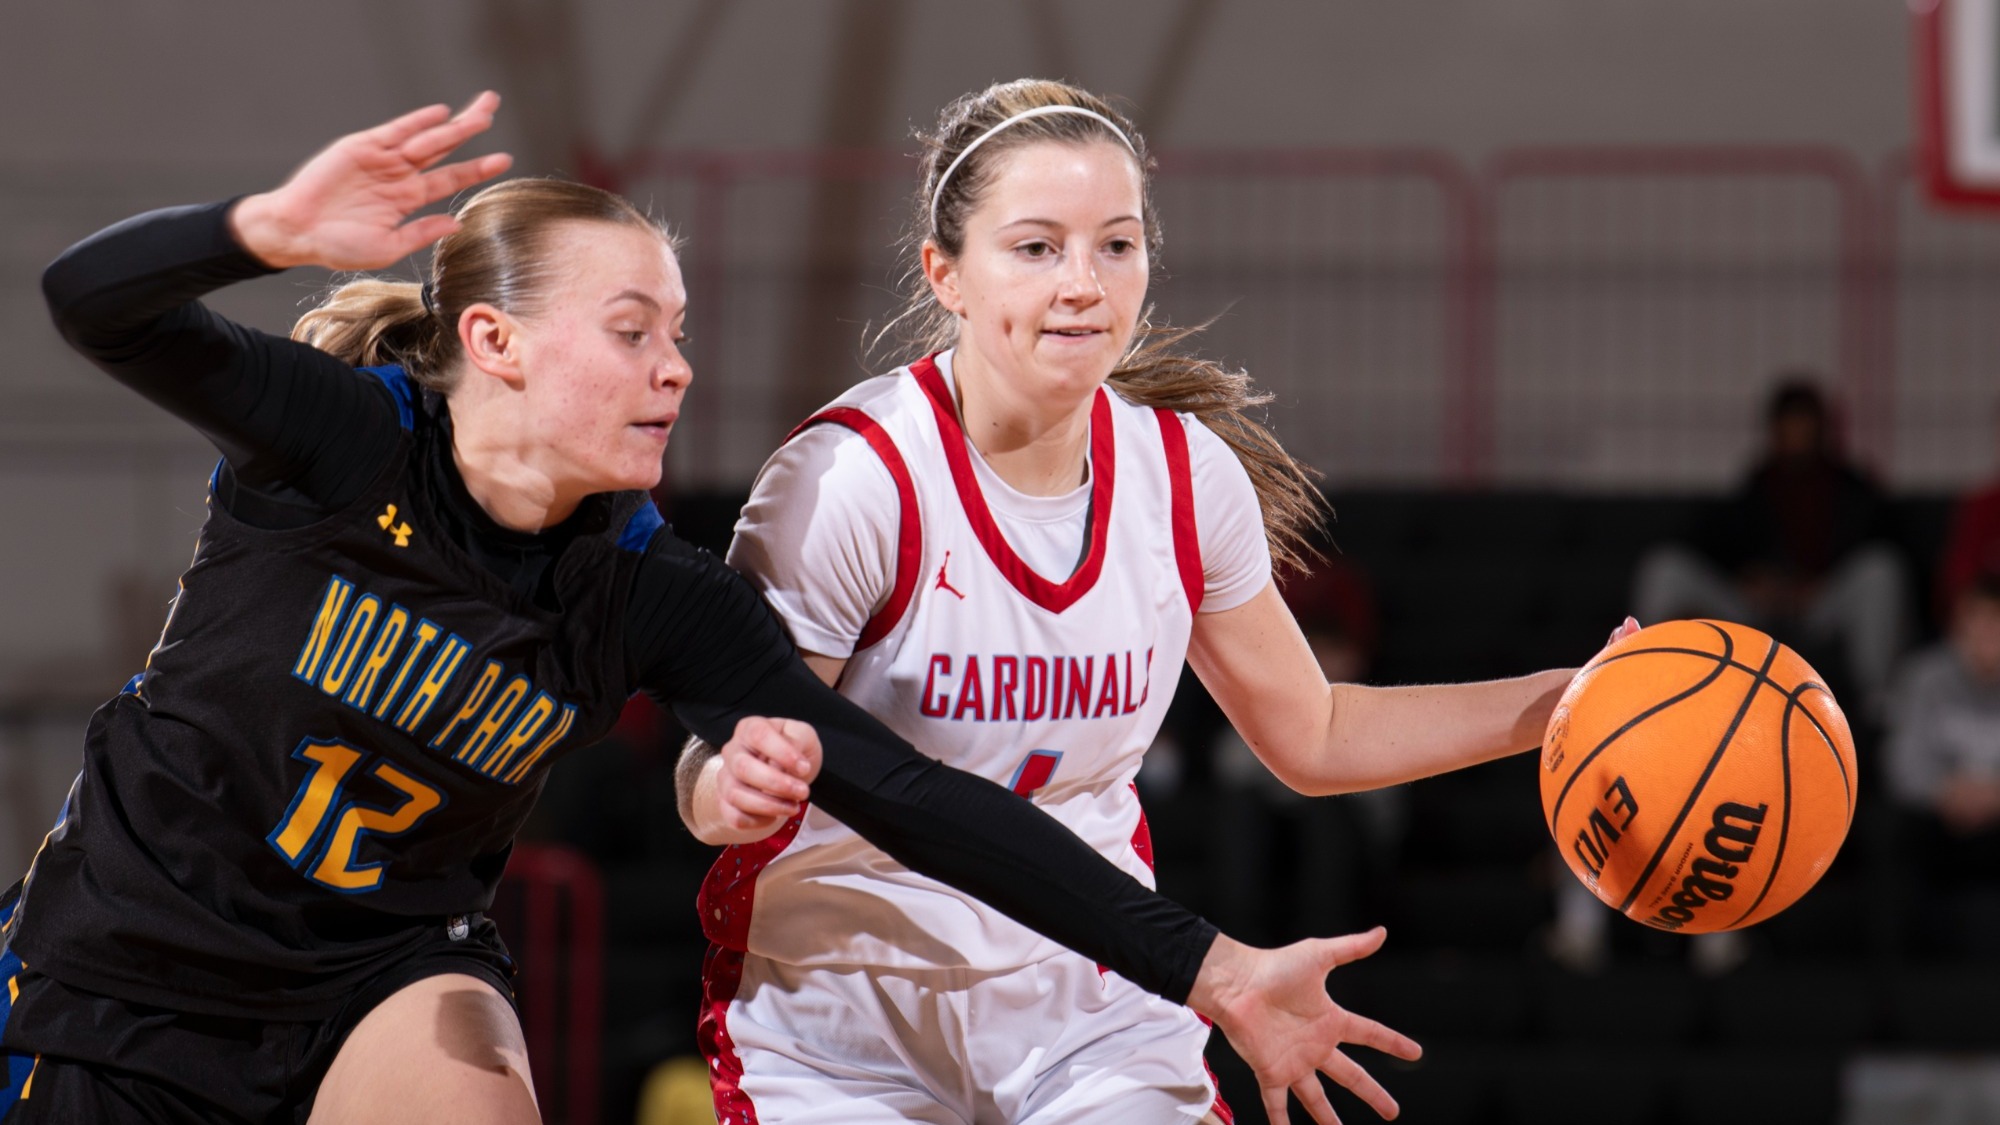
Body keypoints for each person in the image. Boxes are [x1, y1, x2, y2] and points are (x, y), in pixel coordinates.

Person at [0, 94, 1418, 1123]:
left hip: (383, 967)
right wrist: (258, 227)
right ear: (491, 343)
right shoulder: (345, 443)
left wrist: (1211, 965)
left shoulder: (645, 586)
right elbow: (89, 301)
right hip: (128, 966)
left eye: (678, 334)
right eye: (632, 335)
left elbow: (908, 795)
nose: (675, 370)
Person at [679, 78, 1626, 1125]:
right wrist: (723, 792)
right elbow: (711, 763)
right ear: (943, 274)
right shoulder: (848, 482)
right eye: (1035, 248)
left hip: (1090, 992)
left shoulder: (1185, 478)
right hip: (844, 1012)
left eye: (1114, 245)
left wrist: (1567, 702)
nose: (1083, 283)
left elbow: (1310, 733)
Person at [1631, 377, 1909, 719]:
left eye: (1805, 426)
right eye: (1789, 426)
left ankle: (1877, 707)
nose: (1797, 437)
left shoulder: (1854, 489)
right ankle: (1638, 688)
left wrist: (1815, 584)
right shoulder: (1754, 487)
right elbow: (1711, 546)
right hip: (1752, 614)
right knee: (1666, 568)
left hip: (1822, 610)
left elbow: (1883, 547)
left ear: (1823, 430)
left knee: (1879, 572)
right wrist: (1749, 579)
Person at [1884, 569, 2000, 955]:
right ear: (1958, 622)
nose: (1989, 633)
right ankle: (1897, 981)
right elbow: (1902, 763)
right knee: (1890, 832)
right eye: (1979, 620)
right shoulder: (1925, 676)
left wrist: (1992, 798)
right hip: (1937, 819)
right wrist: (1945, 791)